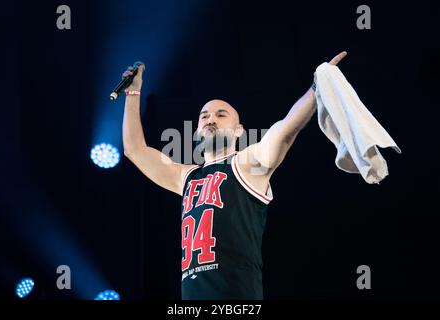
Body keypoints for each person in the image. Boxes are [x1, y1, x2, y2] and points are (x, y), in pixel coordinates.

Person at [122, 51, 347, 299]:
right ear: (196, 129)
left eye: (221, 115)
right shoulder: (186, 177)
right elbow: (135, 150)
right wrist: (133, 93)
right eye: (204, 115)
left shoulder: (246, 164)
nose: (210, 119)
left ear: (239, 130)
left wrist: (316, 88)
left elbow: (284, 129)